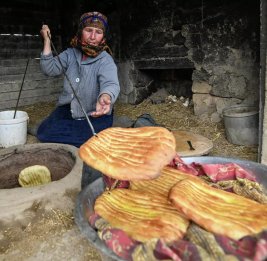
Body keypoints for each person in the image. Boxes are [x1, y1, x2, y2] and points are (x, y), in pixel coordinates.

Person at [38, 11, 120, 189]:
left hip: (94, 113)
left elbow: (111, 83)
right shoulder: (70, 54)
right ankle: (81, 139)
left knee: (95, 140)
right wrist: (46, 40)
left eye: (98, 32)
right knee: (43, 132)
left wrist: (106, 97)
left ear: (103, 36)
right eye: (88, 30)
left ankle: (81, 140)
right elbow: (49, 69)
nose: (92, 36)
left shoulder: (105, 60)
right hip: (69, 109)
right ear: (80, 31)